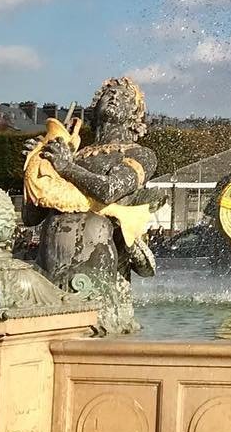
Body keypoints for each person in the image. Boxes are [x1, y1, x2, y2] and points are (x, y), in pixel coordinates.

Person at [23, 76, 157, 334]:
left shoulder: (139, 154)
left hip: (96, 257)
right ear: (94, 108)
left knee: (89, 332)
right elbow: (31, 216)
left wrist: (65, 167)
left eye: (124, 96)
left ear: (135, 114)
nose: (114, 96)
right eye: (108, 93)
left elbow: (110, 190)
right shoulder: (70, 152)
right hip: (48, 257)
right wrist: (33, 167)